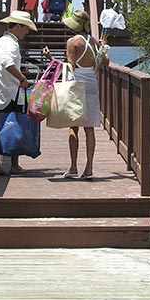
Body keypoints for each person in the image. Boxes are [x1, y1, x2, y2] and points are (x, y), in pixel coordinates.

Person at [42, 10, 109, 179]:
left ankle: (73, 167)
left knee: (74, 126)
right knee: (90, 128)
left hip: (76, 84)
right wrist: (103, 46)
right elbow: (105, 61)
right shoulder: (93, 41)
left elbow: (70, 66)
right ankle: (89, 168)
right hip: (92, 84)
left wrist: (51, 58)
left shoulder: (73, 42)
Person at [0, 10, 37, 176]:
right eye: (26, 27)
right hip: (7, 93)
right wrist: (22, 79)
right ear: (18, 26)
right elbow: (8, 63)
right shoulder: (11, 44)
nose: (27, 31)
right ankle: (14, 165)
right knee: (14, 125)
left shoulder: (1, 41)